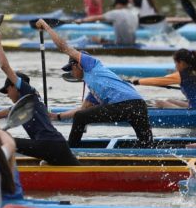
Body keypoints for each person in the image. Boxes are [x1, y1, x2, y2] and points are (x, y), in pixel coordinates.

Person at [36, 19, 154, 148]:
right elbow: (82, 109)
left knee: (81, 117)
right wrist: (56, 116)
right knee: (146, 145)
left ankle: (70, 152)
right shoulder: (94, 89)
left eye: (71, 68)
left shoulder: (90, 64)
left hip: (125, 105)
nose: (71, 73)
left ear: (78, 64)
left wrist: (46, 27)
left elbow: (63, 47)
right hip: (139, 105)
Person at [0, 33, 79, 165]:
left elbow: (4, 66)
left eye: (7, 90)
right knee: (75, 170)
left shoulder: (28, 92)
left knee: (0, 139)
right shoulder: (24, 106)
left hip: (49, 145)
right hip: (54, 146)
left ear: (14, 86)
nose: (7, 94)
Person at [131, 49, 196, 109]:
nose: (175, 66)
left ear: (181, 63)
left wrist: (138, 81)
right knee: (170, 101)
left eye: (176, 63)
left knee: (160, 103)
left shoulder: (180, 75)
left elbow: (157, 80)